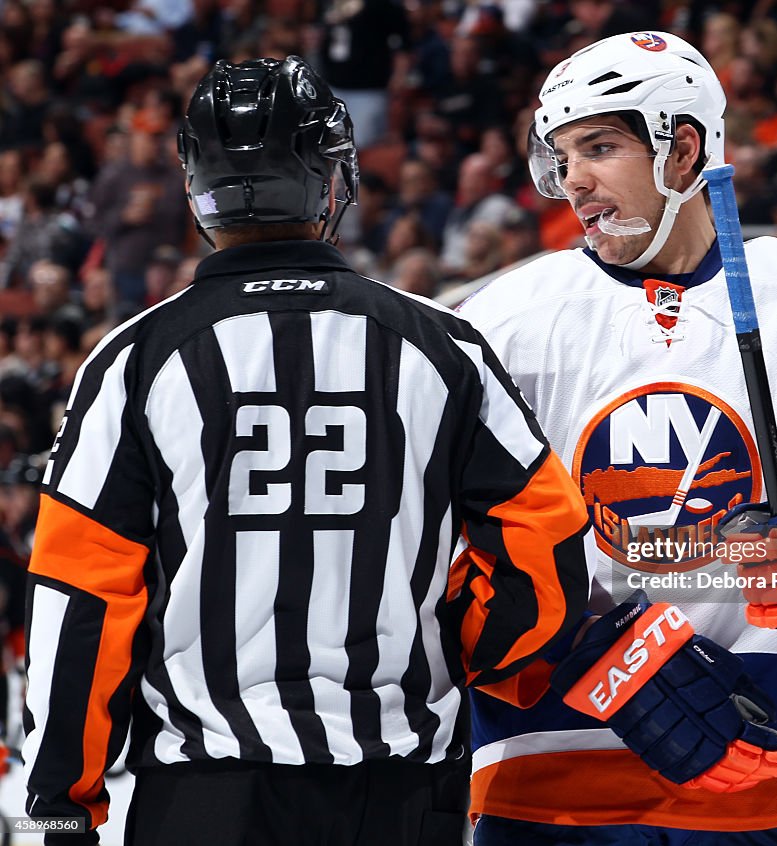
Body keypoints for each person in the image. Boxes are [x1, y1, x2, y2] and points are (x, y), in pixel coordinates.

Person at [21, 56, 592, 846]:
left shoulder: (137, 359)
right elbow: (549, 560)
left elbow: (79, 595)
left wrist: (61, 799)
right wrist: (454, 652)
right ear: (333, 181)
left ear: (196, 187)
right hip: (395, 789)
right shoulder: (440, 346)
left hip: (203, 792)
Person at [458, 31, 777, 845]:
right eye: (562, 156)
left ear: (683, 146)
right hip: (549, 782)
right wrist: (590, 661)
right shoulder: (495, 322)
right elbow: (433, 560)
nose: (573, 180)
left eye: (600, 146)